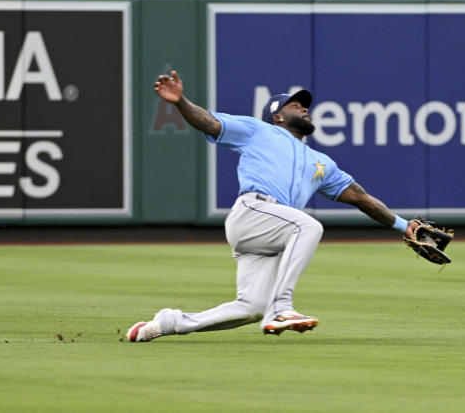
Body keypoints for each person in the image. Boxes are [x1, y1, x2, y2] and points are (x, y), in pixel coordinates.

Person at [125, 71, 420, 342]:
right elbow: (211, 122)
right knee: (308, 225)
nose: (304, 107)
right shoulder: (258, 131)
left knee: (250, 308)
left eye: (304, 105)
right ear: (277, 117)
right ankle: (281, 308)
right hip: (253, 212)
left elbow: (361, 198)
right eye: (294, 105)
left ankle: (169, 322)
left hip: (271, 232)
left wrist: (403, 225)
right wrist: (180, 102)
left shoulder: (322, 163)